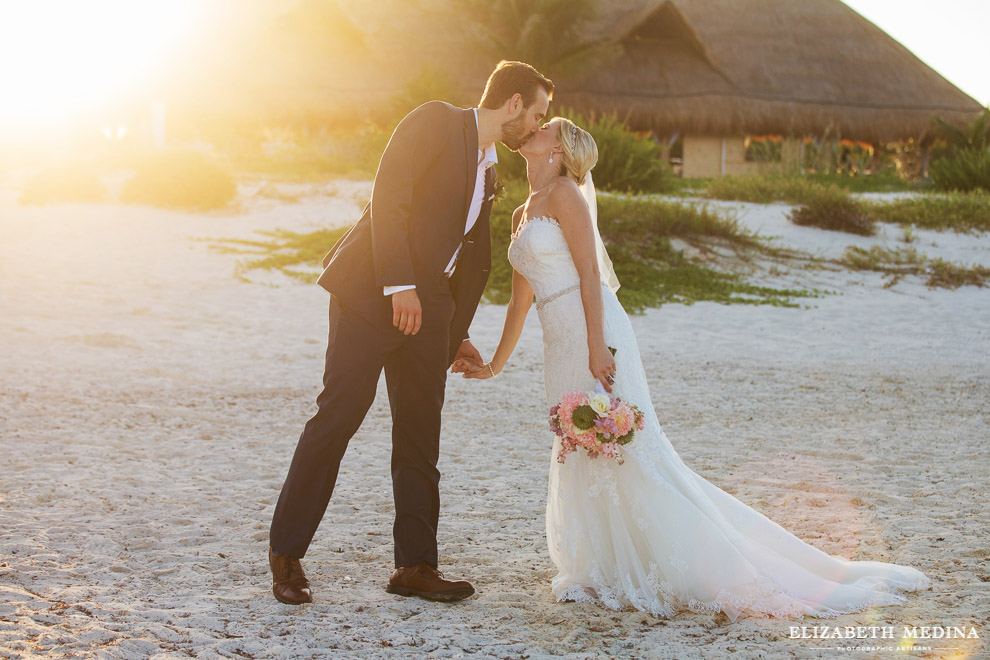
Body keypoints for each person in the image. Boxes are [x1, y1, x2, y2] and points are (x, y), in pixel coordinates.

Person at [454, 116, 931, 621]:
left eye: (545, 126)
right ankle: (603, 566)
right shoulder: (521, 212)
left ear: (557, 149)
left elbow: (591, 273)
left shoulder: (567, 195)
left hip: (596, 333)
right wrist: (494, 364)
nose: (533, 128)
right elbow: (519, 301)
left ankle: (693, 564)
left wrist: (599, 347)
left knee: (631, 451)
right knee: (582, 446)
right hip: (560, 342)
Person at [268, 61, 553, 605]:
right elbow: (390, 196)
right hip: (371, 294)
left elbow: (471, 255)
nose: (538, 127)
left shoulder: (492, 168)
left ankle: (415, 567)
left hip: (431, 312)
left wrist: (455, 331)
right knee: (339, 415)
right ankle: (286, 556)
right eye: (537, 114)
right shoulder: (435, 121)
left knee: (422, 435)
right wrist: (398, 285)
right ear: (513, 104)